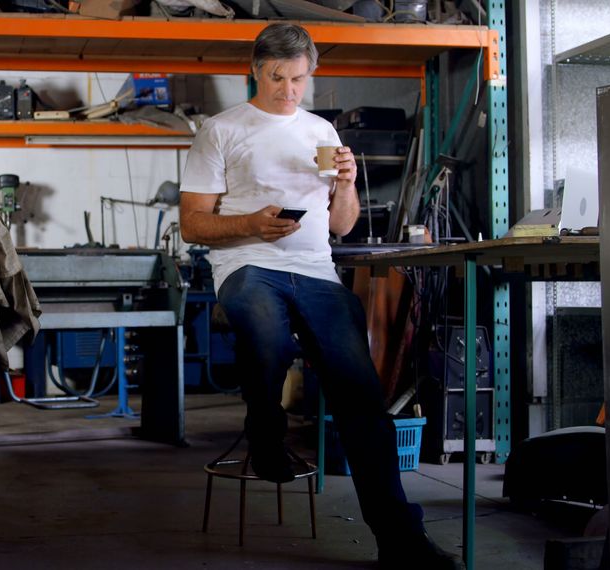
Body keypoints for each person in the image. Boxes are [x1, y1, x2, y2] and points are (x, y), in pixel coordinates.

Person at [178, 23, 463, 570]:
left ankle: (401, 543)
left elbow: (342, 227)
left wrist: (348, 185)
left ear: (312, 74)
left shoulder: (321, 130)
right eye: (278, 77)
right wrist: (252, 226)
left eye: (299, 79)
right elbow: (193, 225)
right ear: (257, 70)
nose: (288, 90)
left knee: (363, 403)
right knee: (266, 335)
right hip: (249, 266)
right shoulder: (221, 130)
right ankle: (266, 428)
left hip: (314, 269)